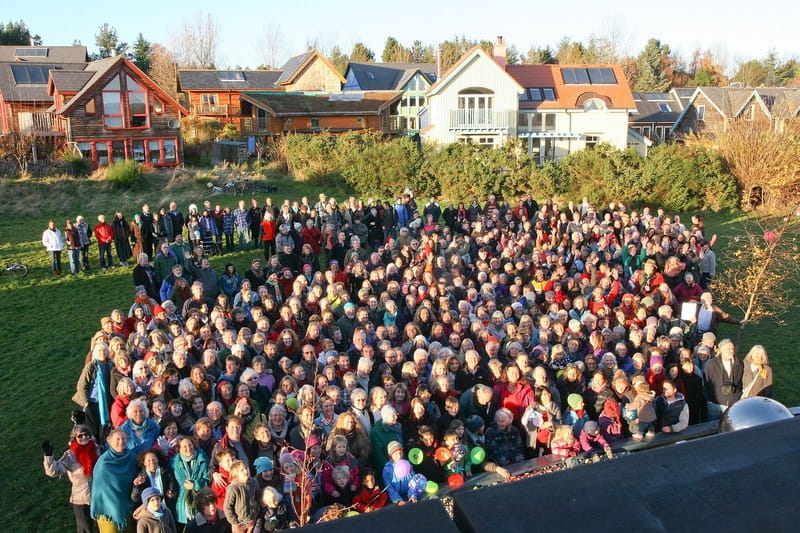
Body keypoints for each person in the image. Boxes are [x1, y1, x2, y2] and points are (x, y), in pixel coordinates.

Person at [42, 425, 98, 533]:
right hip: (81, 500)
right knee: (86, 529)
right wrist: (48, 457)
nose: (84, 437)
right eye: (80, 436)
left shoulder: (97, 449)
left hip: (99, 497)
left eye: (86, 434)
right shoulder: (70, 456)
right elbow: (54, 471)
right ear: (74, 438)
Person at [91, 429, 139, 533]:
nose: (121, 441)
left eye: (123, 438)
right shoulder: (104, 463)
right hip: (108, 511)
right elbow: (100, 491)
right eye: (117, 439)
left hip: (129, 507)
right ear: (110, 442)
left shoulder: (133, 458)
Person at [171, 437, 210, 527]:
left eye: (190, 445)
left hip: (200, 503)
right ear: (179, 449)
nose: (188, 448)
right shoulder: (173, 463)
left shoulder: (203, 459)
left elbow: (208, 480)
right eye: (184, 446)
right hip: (181, 506)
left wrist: (195, 485)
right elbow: (171, 481)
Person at [704, 339, 744, 420]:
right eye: (728, 349)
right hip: (715, 404)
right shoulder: (712, 364)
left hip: (732, 404)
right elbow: (706, 381)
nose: (731, 351)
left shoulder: (739, 364)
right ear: (721, 350)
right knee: (712, 425)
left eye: (732, 348)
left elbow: (740, 382)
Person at [224, 460, 260, 533]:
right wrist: (234, 522)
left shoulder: (254, 482)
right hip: (239, 523)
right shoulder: (233, 488)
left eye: (246, 468)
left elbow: (258, 498)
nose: (245, 471)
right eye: (242, 470)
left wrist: (256, 512)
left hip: (251, 520)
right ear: (235, 474)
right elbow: (227, 507)